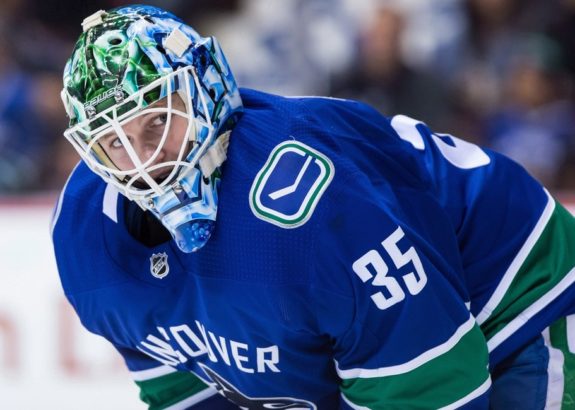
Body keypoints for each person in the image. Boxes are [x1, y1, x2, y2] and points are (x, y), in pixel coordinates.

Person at [51, 5, 575, 409]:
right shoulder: (83, 238)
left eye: (157, 121)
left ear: (205, 87)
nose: (146, 162)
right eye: (114, 142)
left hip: (516, 302)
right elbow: (185, 391)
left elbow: (431, 386)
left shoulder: (310, 205)